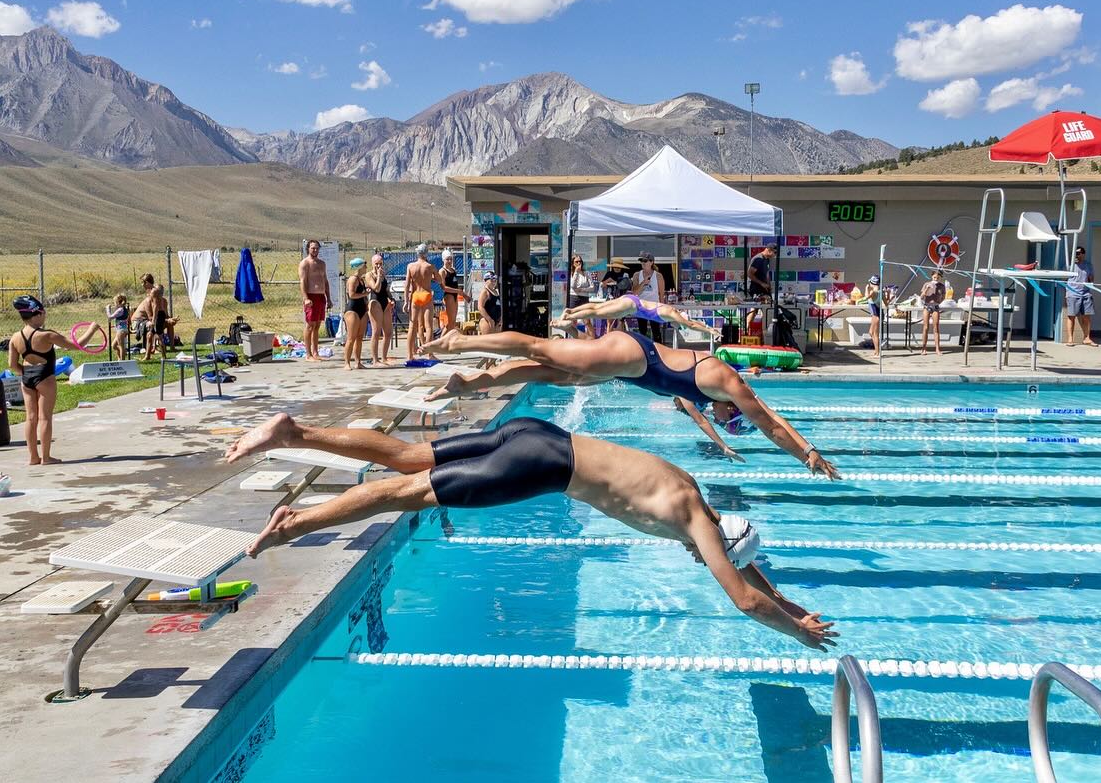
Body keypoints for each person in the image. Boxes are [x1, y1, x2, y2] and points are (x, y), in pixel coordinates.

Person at [227, 414, 840, 651]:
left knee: (410, 457)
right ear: (718, 545)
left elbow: (743, 566)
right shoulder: (695, 526)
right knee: (406, 493)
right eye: (711, 558)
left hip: (537, 433)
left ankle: (294, 433)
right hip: (544, 467)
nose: (703, 560)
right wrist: (794, 628)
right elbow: (742, 593)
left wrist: (791, 601)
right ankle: (295, 525)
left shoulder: (693, 497)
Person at [421, 328, 839, 476]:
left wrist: (808, 448)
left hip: (626, 367)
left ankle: (470, 384)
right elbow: (767, 422)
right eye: (730, 422)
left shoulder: (713, 396)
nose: (722, 419)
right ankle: (461, 341)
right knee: (540, 350)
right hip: (632, 355)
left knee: (547, 374)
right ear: (734, 410)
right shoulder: (722, 380)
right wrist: (807, 454)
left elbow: (769, 414)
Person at [7, 296, 78, 466]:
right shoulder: (47, 335)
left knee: (30, 418)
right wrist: (92, 328)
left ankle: (33, 457)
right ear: (36, 314)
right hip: (45, 376)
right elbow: (75, 345)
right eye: (43, 312)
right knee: (45, 417)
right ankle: (46, 457)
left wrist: (26, 372)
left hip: (26, 378)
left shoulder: (15, 338)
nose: (45, 315)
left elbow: (11, 365)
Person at [555, 294, 718, 337]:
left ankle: (570, 311)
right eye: (680, 323)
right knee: (598, 313)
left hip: (631, 300)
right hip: (631, 306)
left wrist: (708, 327)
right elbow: (691, 324)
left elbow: (693, 323)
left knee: (597, 307)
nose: (679, 325)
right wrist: (709, 332)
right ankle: (569, 317)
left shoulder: (672, 312)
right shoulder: (672, 313)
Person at [406, 244, 441, 360]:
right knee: (429, 326)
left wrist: (406, 301)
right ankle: (430, 354)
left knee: (412, 326)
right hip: (426, 294)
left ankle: (410, 355)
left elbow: (407, 285)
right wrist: (431, 277)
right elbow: (439, 280)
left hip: (416, 295)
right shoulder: (430, 266)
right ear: (426, 253)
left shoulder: (411, 266)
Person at [299, 240, 331, 364]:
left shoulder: (322, 263)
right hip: (311, 296)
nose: (315, 251)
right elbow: (302, 281)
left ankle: (316, 352)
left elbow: (325, 281)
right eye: (313, 248)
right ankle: (308, 354)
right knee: (310, 325)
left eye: (317, 248)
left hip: (320, 296)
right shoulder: (305, 263)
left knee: (317, 325)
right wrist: (306, 298)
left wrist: (328, 298)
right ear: (308, 249)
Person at [1063, 246, 1097, 347]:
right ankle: (1070, 339)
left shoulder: (1088, 265)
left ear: (1083, 254)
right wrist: (1068, 292)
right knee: (1071, 316)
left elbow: (1091, 280)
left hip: (1086, 293)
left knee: (1087, 316)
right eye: (1075, 253)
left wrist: (1090, 277)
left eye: (1078, 253)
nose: (1077, 255)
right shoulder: (1069, 265)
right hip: (1072, 294)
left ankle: (1087, 338)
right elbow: (1063, 280)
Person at [632, 252, 666, 343]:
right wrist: (643, 282)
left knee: (656, 332)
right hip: (641, 306)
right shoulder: (636, 275)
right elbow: (634, 292)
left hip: (654, 306)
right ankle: (643, 352)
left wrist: (662, 310)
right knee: (642, 332)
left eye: (645, 261)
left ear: (651, 262)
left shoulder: (658, 276)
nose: (643, 263)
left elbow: (661, 295)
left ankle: (659, 352)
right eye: (641, 261)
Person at [366, 254, 393, 366]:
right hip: (375, 302)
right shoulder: (369, 275)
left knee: (388, 332)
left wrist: (391, 298)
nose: (378, 266)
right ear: (372, 264)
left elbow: (385, 289)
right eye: (376, 263)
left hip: (384, 303)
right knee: (376, 332)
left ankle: (384, 357)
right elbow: (376, 288)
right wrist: (378, 276)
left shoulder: (383, 273)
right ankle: (375, 360)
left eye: (380, 263)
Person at [343, 258, 369, 370]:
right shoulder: (353, 279)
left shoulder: (361, 280)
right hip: (352, 310)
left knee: (359, 337)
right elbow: (352, 295)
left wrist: (366, 303)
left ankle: (358, 362)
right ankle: (347, 363)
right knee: (351, 337)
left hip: (362, 309)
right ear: (359, 266)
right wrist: (364, 294)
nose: (366, 267)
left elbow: (363, 294)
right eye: (364, 265)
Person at [439, 250, 469, 332]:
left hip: (455, 296)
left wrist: (464, 295)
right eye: (447, 259)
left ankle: (445, 341)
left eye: (451, 259)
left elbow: (456, 285)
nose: (449, 261)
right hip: (449, 296)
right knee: (450, 322)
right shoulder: (442, 271)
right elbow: (444, 287)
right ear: (443, 260)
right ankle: (442, 341)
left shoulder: (453, 270)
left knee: (453, 322)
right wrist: (458, 291)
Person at [919, 270, 945, 355]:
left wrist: (939, 301)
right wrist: (927, 289)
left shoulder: (941, 286)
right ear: (931, 277)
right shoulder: (927, 284)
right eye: (934, 277)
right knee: (925, 327)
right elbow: (922, 296)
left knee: (936, 327)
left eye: (938, 278)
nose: (936, 279)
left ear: (940, 278)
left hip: (935, 306)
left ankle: (937, 349)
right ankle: (923, 348)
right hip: (927, 306)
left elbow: (943, 296)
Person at [106, 294, 130, 361]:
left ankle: (122, 361)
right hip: (123, 329)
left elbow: (110, 317)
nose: (114, 304)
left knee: (121, 346)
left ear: (118, 302)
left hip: (121, 330)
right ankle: (122, 355)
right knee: (114, 346)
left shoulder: (120, 310)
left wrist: (108, 309)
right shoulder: (124, 309)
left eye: (115, 302)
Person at [863, 276, 882, 358]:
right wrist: (889, 296)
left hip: (876, 316)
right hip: (875, 315)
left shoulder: (873, 292)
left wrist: (866, 289)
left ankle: (878, 353)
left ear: (872, 283)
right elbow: (886, 303)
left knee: (875, 334)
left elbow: (866, 297)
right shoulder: (881, 292)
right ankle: (876, 351)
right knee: (871, 333)